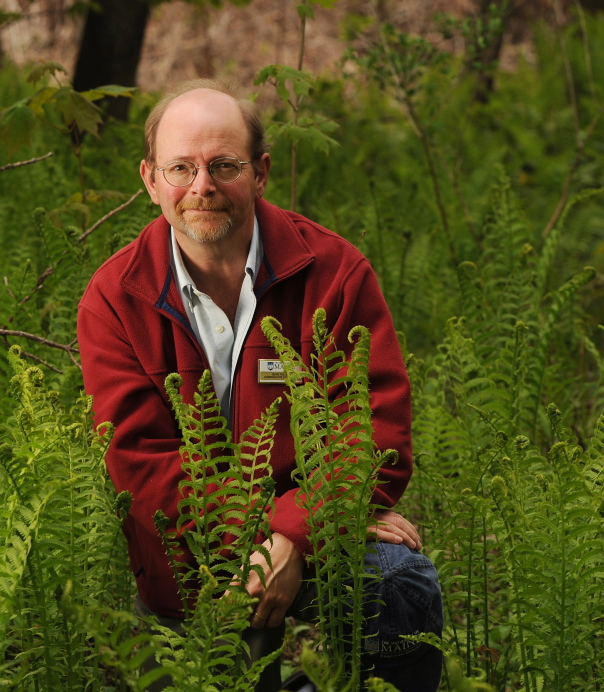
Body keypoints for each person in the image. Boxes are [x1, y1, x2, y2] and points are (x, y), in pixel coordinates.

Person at [77, 79, 442, 691]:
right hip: (189, 555)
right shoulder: (115, 298)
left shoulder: (334, 274)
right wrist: (267, 539)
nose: (202, 187)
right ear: (149, 179)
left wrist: (297, 536)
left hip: (321, 541)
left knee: (399, 586)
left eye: (225, 165)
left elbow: (373, 430)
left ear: (261, 171)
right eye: (180, 168)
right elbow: (138, 463)